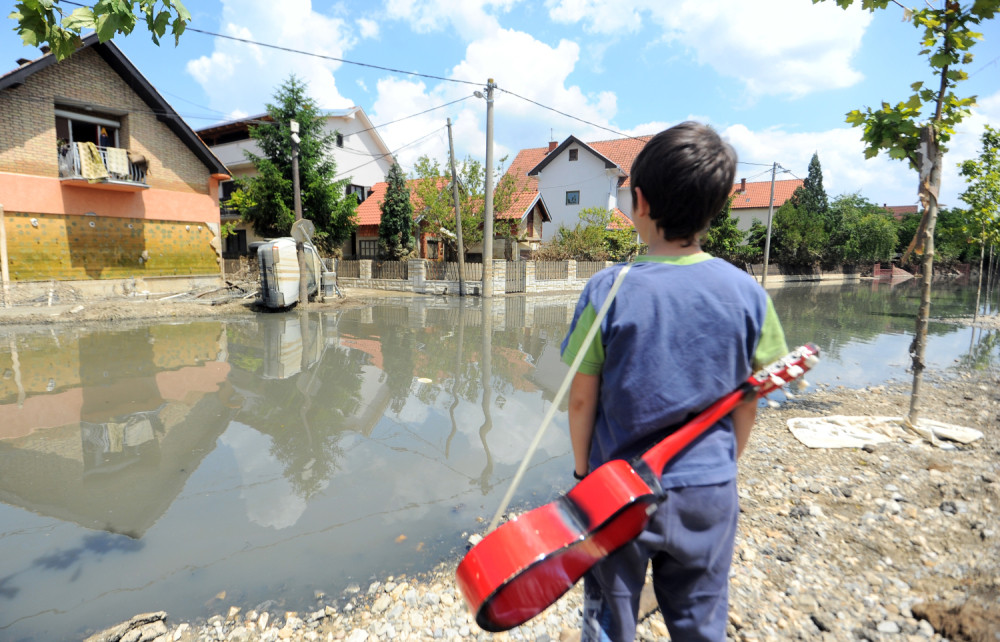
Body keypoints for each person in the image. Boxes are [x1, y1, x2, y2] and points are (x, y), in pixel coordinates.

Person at [560, 121, 788, 641]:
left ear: (638, 200)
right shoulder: (747, 293)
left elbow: (580, 401)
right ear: (718, 207)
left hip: (617, 493)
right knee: (699, 615)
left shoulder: (606, 288)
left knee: (609, 614)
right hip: (708, 490)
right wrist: (724, 465)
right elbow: (748, 402)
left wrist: (582, 473)